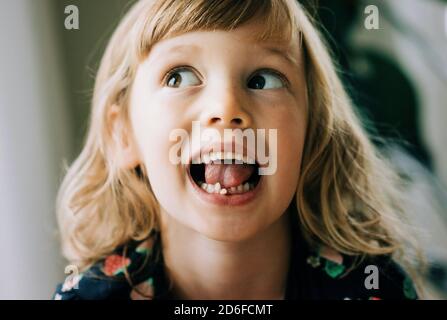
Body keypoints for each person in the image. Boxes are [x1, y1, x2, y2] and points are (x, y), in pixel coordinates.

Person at [53, 0, 423, 300]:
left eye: (263, 79)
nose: (226, 108)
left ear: (311, 129)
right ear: (123, 134)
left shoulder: (373, 289)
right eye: (178, 76)